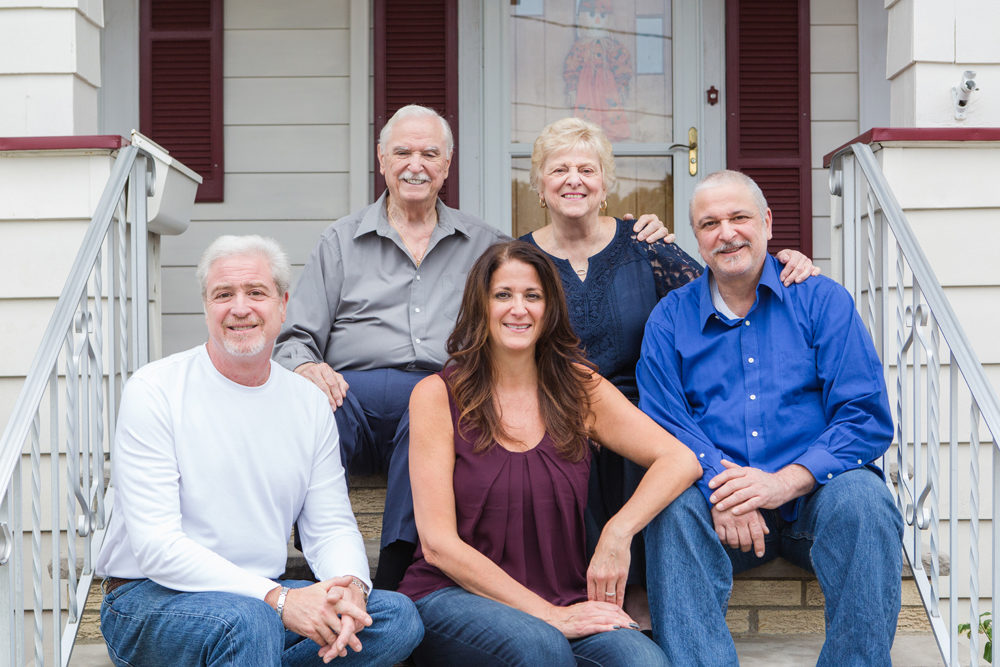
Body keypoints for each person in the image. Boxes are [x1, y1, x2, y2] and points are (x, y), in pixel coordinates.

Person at [273, 104, 671, 589]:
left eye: (429, 154)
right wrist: (306, 367)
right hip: (352, 394)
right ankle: (322, 572)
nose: (415, 164)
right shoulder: (339, 241)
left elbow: (527, 302)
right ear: (382, 160)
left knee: (428, 409)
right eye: (402, 152)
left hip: (448, 393)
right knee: (314, 412)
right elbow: (295, 339)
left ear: (447, 166)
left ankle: (398, 579)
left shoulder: (484, 243)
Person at [519, 116, 818, 623]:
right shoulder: (521, 258)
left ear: (606, 183)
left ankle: (642, 594)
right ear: (539, 185)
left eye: (587, 169)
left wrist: (786, 258)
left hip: (645, 405)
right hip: (557, 406)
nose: (574, 179)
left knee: (648, 442)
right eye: (559, 169)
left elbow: (724, 285)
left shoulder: (646, 245)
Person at [95, 235, 423, 666]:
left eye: (256, 293)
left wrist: (351, 589)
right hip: (150, 598)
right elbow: (158, 547)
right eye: (223, 295)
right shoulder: (156, 390)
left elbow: (329, 526)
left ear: (283, 305)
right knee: (249, 623)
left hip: (260, 597)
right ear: (206, 306)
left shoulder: (307, 403)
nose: (240, 307)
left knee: (394, 617)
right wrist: (281, 599)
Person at [636, 171, 902, 666]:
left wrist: (783, 484)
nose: (727, 233)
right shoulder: (670, 319)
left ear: (768, 222)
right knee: (670, 512)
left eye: (739, 217)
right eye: (710, 223)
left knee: (866, 499)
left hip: (816, 503)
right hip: (721, 512)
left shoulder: (822, 300)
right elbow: (664, 422)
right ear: (696, 237)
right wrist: (723, 485)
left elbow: (863, 416)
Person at [396, 241, 702, 665]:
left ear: (550, 307)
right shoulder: (436, 395)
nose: (518, 309)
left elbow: (679, 460)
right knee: (541, 647)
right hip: (453, 596)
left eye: (532, 296)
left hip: (565, 597)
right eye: (503, 295)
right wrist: (549, 616)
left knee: (643, 660)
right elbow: (438, 545)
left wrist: (618, 532)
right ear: (480, 305)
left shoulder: (577, 388)